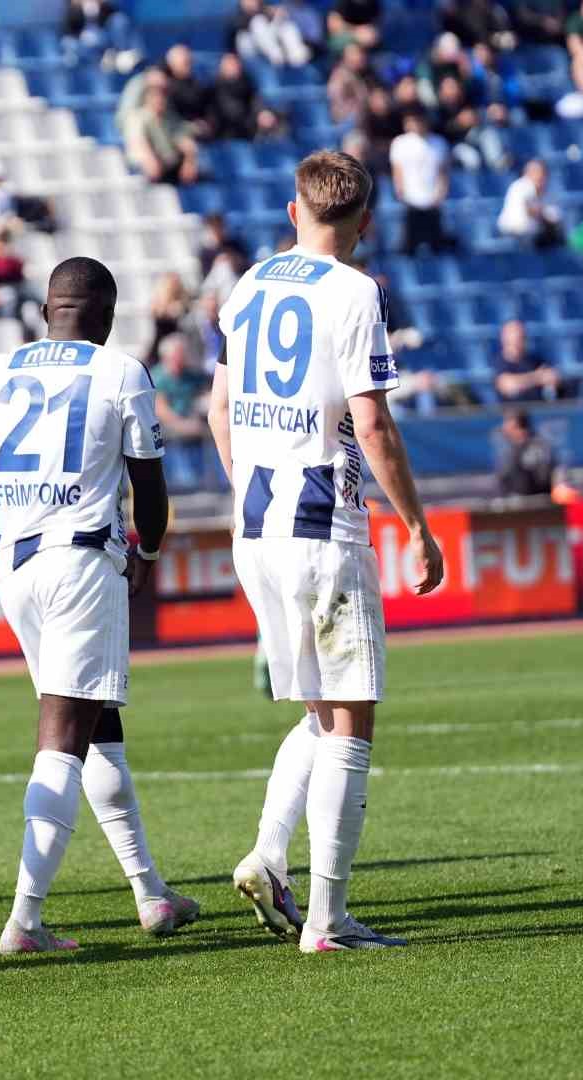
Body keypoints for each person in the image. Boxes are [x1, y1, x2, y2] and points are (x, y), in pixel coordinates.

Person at [0, 257, 197, 953]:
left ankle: (150, 892)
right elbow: (150, 491)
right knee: (64, 737)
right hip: (81, 562)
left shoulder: (0, 370)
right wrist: (150, 553)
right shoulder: (120, 370)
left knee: (97, 724)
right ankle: (25, 920)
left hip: (18, 568)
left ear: (47, 311)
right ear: (103, 316)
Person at [209, 150, 444, 952]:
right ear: (365, 223)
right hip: (322, 524)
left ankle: (268, 857)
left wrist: (248, 482)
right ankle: (327, 918)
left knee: (317, 708)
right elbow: (371, 424)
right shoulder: (357, 291)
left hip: (257, 529)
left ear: (292, 211)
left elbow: (218, 408)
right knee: (351, 718)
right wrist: (416, 525)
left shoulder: (248, 285)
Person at [152, 334, 211, 490]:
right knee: (186, 480)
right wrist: (185, 426)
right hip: (170, 436)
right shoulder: (157, 378)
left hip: (196, 431)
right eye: (176, 356)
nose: (180, 360)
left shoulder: (192, 376)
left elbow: (206, 393)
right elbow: (161, 410)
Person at [389, 111, 452, 255]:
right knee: (409, 242)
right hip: (410, 199)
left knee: (436, 243)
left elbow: (443, 171)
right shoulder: (400, 142)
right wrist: (400, 191)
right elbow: (397, 170)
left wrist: (441, 192)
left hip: (433, 198)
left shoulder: (439, 142)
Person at [123, 70, 199, 186]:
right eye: (156, 95)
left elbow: (184, 140)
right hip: (143, 168)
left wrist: (189, 160)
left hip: (169, 167)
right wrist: (150, 160)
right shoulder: (137, 118)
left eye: (163, 96)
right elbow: (139, 143)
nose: (160, 100)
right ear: (148, 97)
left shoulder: (169, 119)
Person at [494, 318, 563, 402]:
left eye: (521, 336)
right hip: (516, 412)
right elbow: (508, 385)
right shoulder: (500, 362)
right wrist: (538, 377)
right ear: (504, 337)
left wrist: (552, 379)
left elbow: (549, 375)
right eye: (513, 335)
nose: (517, 340)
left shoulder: (534, 360)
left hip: (540, 408)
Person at [498, 159, 563, 248]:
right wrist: (546, 217)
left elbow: (555, 216)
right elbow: (532, 210)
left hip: (531, 234)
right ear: (527, 173)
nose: (539, 176)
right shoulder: (523, 185)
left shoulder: (547, 192)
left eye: (541, 173)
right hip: (513, 232)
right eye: (535, 172)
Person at [497, 408, 556, 496]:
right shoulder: (512, 450)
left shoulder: (537, 447)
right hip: (514, 504)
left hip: (535, 504)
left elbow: (542, 479)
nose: (503, 427)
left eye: (507, 422)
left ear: (517, 426)